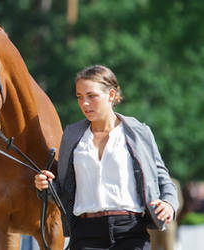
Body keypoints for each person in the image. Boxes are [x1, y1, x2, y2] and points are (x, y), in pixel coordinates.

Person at [34, 65, 179, 250]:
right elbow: (65, 191)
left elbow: (163, 179)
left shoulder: (138, 133)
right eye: (79, 97)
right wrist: (45, 186)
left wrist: (169, 204)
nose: (84, 103)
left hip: (131, 232)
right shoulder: (71, 136)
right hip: (85, 234)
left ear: (111, 95)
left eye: (91, 96)